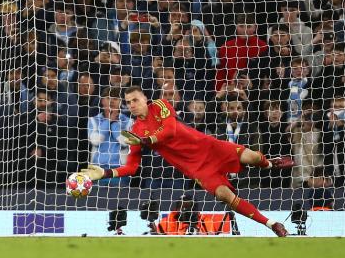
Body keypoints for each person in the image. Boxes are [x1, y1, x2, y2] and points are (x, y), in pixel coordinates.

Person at [80, 86, 295, 237]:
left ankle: (269, 164)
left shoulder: (161, 105)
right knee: (225, 196)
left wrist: (147, 140)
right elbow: (132, 167)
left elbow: (170, 130)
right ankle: (272, 224)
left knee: (254, 157)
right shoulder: (135, 131)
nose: (132, 105)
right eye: (128, 103)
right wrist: (105, 173)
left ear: (145, 98)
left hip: (209, 147)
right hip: (197, 169)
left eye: (135, 100)